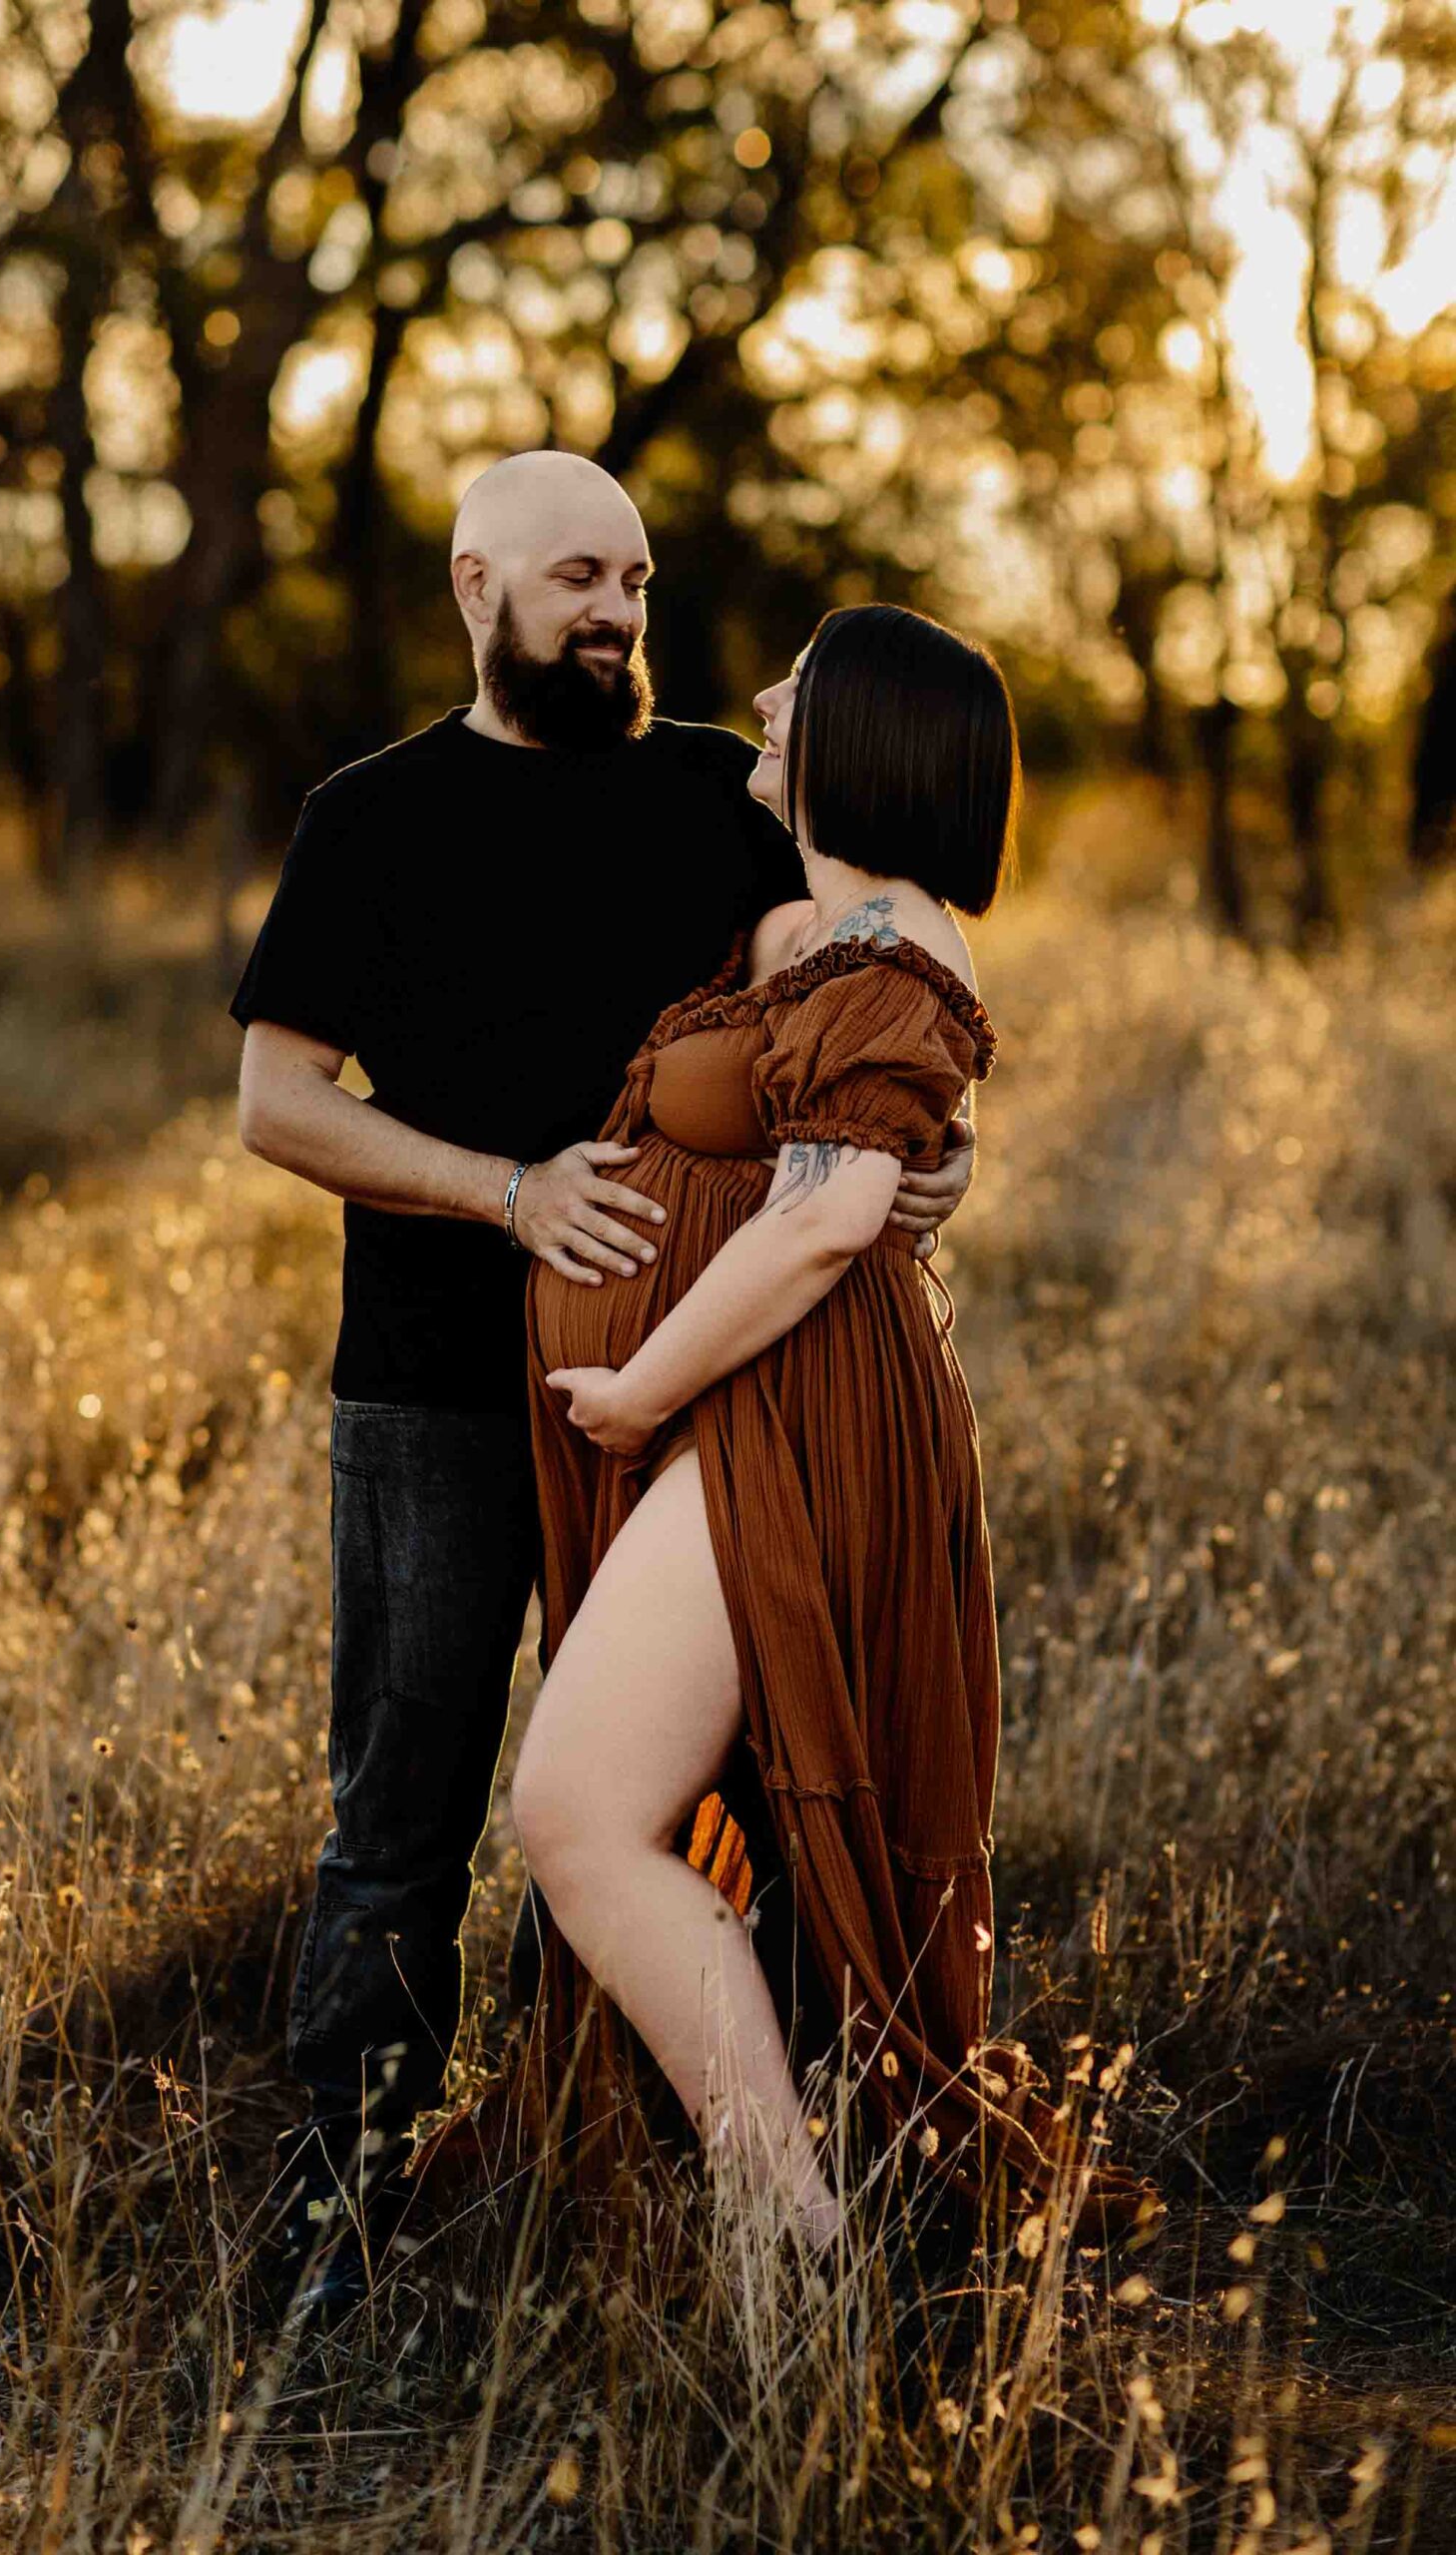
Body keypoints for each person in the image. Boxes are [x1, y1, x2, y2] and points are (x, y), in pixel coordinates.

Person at [228, 455, 977, 2313]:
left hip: (703, 1409)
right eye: (577, 579)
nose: (617, 615)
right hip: (433, 1390)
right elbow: (276, 1103)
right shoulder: (370, 816)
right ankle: (336, 2226)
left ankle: (691, 2198)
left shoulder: (723, 792)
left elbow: (866, 1000)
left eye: (635, 581)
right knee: (402, 1812)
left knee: (711, 1797)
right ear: (475, 583)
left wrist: (938, 1161)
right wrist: (508, 1191)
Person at [423, 601, 1156, 2254]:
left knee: (577, 1811)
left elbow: (824, 1219)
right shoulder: (821, 933)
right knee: (623, 1812)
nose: (762, 695)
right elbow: (834, 1108)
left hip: (785, 1417)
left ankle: (790, 2237)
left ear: (864, 737)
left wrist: (640, 1389)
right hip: (740, 1411)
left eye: (800, 686)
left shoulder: (895, 954)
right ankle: (788, 2223)